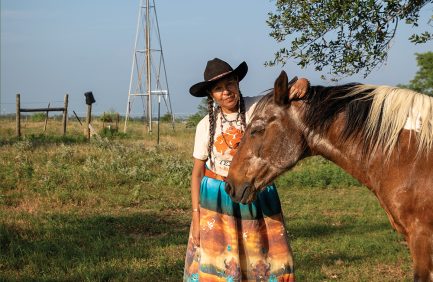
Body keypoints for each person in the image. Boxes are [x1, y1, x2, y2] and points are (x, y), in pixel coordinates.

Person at [183, 58, 309, 281]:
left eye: (230, 83)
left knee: (265, 257)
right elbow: (197, 172)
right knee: (219, 262)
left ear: (238, 82)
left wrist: (304, 82)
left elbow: (291, 92)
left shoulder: (258, 108)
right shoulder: (205, 125)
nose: (226, 92)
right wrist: (196, 216)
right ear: (211, 95)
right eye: (218, 89)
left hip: (256, 194)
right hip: (217, 199)